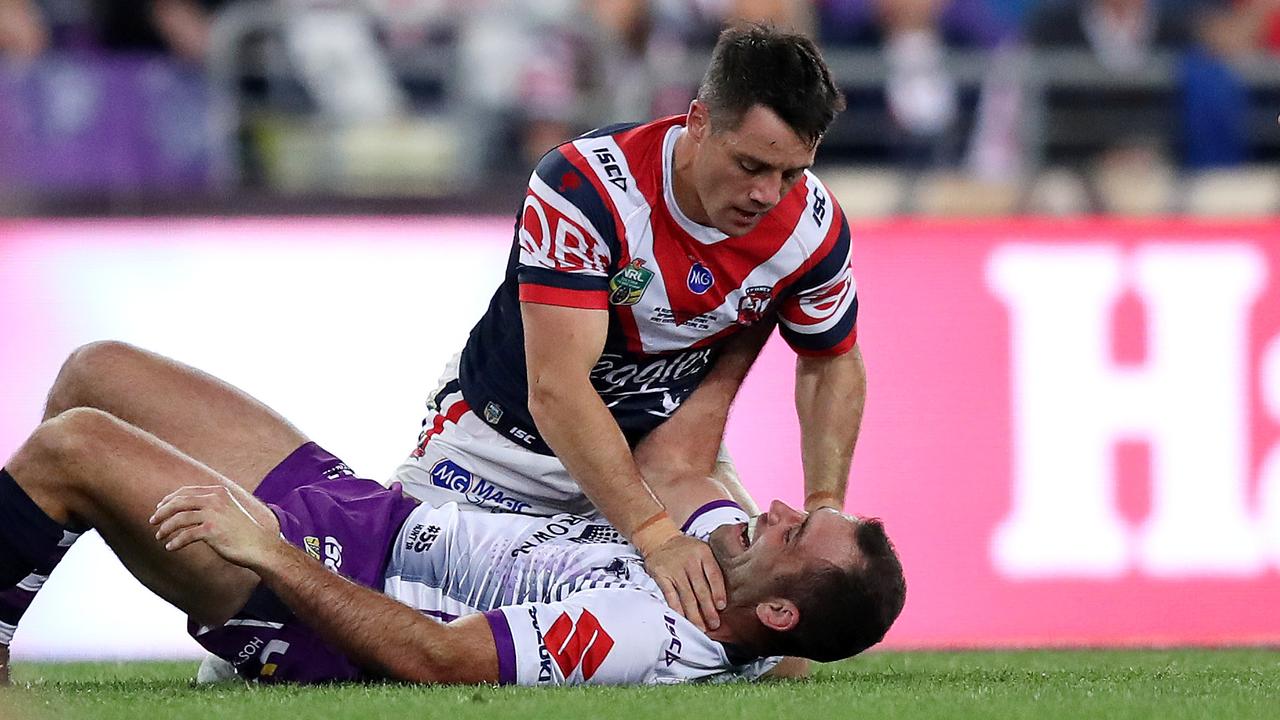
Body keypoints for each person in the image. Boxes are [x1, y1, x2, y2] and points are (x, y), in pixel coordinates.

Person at [0, 362, 906, 685]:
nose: (781, 510)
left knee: (72, 447)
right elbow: (803, 637)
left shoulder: (642, 636)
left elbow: (439, 660)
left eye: (793, 532)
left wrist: (271, 557)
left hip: (314, 591)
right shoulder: (749, 610)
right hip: (371, 512)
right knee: (96, 373)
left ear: (780, 604)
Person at [392, 22, 867, 634]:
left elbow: (831, 359)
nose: (767, 194)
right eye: (751, 164)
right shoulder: (586, 189)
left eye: (792, 173)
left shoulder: (811, 225)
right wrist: (654, 536)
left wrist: (825, 507)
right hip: (499, 455)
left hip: (663, 462)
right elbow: (557, 390)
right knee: (374, 624)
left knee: (780, 644)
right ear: (697, 121)